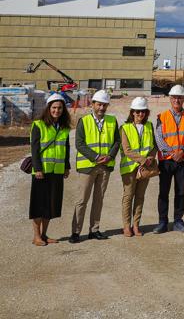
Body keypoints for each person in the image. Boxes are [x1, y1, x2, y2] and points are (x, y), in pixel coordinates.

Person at [71, 89, 119, 242]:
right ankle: (76, 232)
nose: (102, 108)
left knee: (99, 200)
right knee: (82, 200)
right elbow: (79, 144)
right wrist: (96, 157)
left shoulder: (112, 121)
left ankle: (94, 230)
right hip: (88, 166)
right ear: (93, 104)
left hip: (105, 167)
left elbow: (117, 141)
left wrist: (110, 156)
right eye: (99, 104)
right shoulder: (84, 121)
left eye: (104, 105)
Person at [30, 93, 71, 246]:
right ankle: (36, 236)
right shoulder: (38, 125)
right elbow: (34, 149)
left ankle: (44, 235)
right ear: (48, 108)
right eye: (54, 107)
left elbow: (66, 148)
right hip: (41, 172)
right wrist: (37, 168)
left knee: (51, 205)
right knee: (38, 205)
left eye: (60, 108)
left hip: (57, 171)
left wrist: (67, 166)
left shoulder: (64, 127)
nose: (57, 110)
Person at [154, 83, 184, 234]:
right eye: (174, 97)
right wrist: (173, 153)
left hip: (183, 161)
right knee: (163, 192)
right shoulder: (162, 117)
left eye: (180, 97)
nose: (177, 100)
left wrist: (182, 152)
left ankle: (178, 220)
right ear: (170, 99)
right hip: (166, 161)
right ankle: (162, 222)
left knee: (180, 192)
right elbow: (159, 139)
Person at [119, 96, 156, 237]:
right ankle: (126, 226)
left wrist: (150, 157)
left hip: (145, 168)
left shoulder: (149, 126)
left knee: (140, 197)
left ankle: (136, 225)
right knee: (128, 197)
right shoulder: (124, 128)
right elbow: (127, 150)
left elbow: (153, 146)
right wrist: (143, 160)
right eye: (138, 111)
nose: (140, 114)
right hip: (129, 169)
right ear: (132, 112)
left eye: (143, 111)